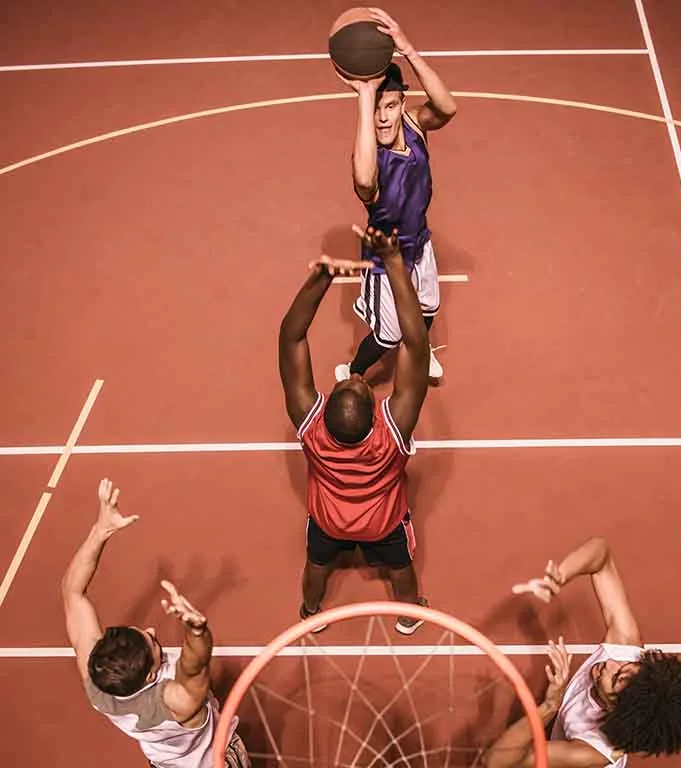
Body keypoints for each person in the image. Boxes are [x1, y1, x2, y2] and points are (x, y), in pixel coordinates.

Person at [279, 227, 430, 634]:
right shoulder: (392, 429)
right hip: (383, 524)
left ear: (324, 406)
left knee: (316, 565)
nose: (357, 377)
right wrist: (395, 263)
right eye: (359, 382)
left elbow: (291, 338)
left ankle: (311, 613)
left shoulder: (311, 425)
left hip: (329, 523)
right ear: (374, 409)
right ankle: (408, 614)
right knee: (402, 568)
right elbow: (416, 345)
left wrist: (321, 279)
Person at [61, 478, 250, 768]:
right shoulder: (177, 704)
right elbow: (194, 666)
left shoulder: (98, 687)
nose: (151, 629)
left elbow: (72, 591)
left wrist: (101, 531)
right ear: (151, 677)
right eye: (155, 643)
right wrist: (197, 631)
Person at [485, 537, 681, 768]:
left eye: (616, 678)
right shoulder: (625, 650)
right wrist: (561, 576)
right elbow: (602, 555)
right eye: (624, 667)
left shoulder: (593, 750)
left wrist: (550, 706)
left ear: (613, 710)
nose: (610, 663)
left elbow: (497, 761)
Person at [335, 7, 457, 383]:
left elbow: (448, 107)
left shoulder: (416, 126)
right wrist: (364, 96)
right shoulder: (368, 156)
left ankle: (421, 350)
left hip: (419, 244)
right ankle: (352, 370)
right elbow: (365, 180)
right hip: (384, 261)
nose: (383, 118)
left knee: (429, 307)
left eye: (390, 106)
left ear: (403, 103)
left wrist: (408, 49)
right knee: (388, 335)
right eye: (376, 110)